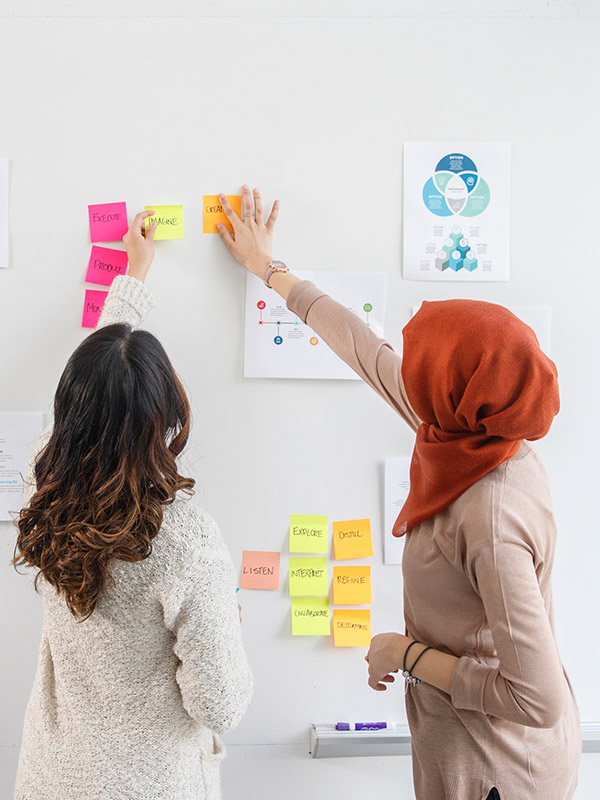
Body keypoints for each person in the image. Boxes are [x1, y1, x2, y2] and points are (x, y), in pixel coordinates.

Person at [216, 185, 581, 800]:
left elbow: (537, 701)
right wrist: (270, 270)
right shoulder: (472, 432)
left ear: (454, 389)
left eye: (424, 366)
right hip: (461, 749)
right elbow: (365, 350)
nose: (408, 373)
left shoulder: (490, 514)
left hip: (499, 773)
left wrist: (403, 653)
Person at [12, 212, 253, 800]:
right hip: (148, 786)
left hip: (51, 775)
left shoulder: (44, 481)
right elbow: (220, 706)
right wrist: (229, 616)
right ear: (161, 420)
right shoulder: (186, 540)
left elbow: (97, 390)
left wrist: (132, 279)